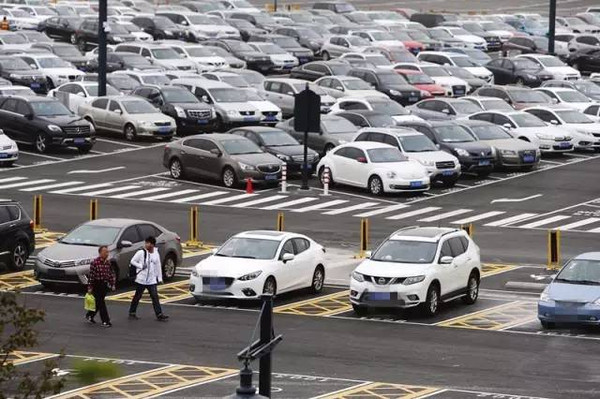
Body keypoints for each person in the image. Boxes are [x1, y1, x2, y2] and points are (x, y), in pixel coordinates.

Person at [128, 236, 169, 321]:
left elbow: (158, 266)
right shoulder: (141, 252)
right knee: (137, 296)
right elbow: (132, 261)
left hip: (151, 280)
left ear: (152, 245)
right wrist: (140, 266)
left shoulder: (156, 253)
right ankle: (132, 312)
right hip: (141, 279)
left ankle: (159, 314)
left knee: (155, 297)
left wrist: (159, 278)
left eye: (148, 243)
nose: (147, 245)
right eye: (146, 243)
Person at [86, 245, 116, 328]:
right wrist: (90, 287)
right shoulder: (95, 263)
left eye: (107, 252)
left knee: (98, 303)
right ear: (100, 253)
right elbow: (91, 276)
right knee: (101, 303)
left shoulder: (108, 263)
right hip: (97, 284)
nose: (107, 254)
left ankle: (90, 315)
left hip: (104, 284)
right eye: (105, 252)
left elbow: (111, 274)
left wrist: (112, 284)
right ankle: (105, 321)